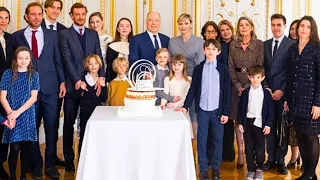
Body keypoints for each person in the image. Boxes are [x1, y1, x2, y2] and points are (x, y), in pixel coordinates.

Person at [12, 2, 66, 179]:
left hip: (51, 88)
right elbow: (14, 65)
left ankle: (50, 165)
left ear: (42, 16)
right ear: (26, 16)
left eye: (39, 14)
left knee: (51, 127)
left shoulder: (52, 35)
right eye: (32, 14)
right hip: (28, 91)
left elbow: (58, 60)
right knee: (31, 129)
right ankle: (36, 164)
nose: (36, 17)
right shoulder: (17, 36)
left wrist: (63, 82)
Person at [176, 39, 231, 180]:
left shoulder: (223, 69)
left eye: (214, 49)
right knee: (202, 139)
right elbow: (193, 89)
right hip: (202, 110)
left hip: (218, 111)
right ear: (204, 50)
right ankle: (204, 169)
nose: (211, 51)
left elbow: (227, 92)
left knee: (217, 140)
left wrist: (225, 112)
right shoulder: (199, 69)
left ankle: (216, 169)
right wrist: (185, 106)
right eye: (208, 48)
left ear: (218, 52)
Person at [59, 2, 104, 173]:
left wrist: (101, 77)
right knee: (69, 122)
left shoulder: (93, 34)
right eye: (76, 14)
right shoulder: (64, 34)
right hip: (73, 86)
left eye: (82, 14)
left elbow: (99, 56)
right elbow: (66, 59)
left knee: (89, 122)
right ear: (71, 15)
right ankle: (69, 160)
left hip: (93, 86)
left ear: (86, 14)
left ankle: (87, 156)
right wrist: (77, 80)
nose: (80, 17)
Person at [284, 16, 320, 180]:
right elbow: (290, 76)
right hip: (294, 100)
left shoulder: (317, 49)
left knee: (311, 136)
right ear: (298, 29)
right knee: (300, 136)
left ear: (312, 30)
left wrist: (317, 104)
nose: (304, 29)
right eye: (302, 26)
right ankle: (307, 173)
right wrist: (286, 99)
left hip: (311, 101)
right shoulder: (292, 49)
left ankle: (311, 174)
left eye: (308, 27)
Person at [228, 16, 264, 169]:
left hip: (253, 87)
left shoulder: (258, 45)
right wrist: (237, 85)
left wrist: (249, 85)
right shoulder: (233, 45)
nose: (243, 27)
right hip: (236, 87)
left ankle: (254, 153)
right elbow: (230, 66)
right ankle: (241, 153)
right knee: (238, 120)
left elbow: (260, 66)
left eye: (246, 25)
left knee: (252, 119)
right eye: (241, 25)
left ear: (251, 27)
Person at [0, 46, 40, 180]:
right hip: (11, 115)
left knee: (26, 149)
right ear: (16, 59)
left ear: (30, 59)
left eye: (26, 58)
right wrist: (11, 114)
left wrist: (18, 113)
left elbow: (33, 98)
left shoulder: (34, 75)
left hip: (27, 115)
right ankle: (12, 176)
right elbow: (2, 97)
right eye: (20, 58)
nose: (23, 61)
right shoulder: (7, 73)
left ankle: (23, 176)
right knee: (15, 148)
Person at [263, 14, 294, 174]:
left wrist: (282, 90)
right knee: (269, 126)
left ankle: (281, 160)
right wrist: (266, 87)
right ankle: (271, 158)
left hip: (283, 94)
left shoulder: (292, 45)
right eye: (273, 25)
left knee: (282, 129)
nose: (276, 28)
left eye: (279, 25)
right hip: (268, 94)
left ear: (284, 25)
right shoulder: (266, 44)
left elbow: (292, 71)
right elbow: (262, 69)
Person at [169, 13, 205, 136]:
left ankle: (192, 144)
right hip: (176, 80)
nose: (183, 26)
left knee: (193, 111)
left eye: (186, 23)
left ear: (191, 24)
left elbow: (199, 65)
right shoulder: (173, 41)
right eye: (180, 23)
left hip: (192, 80)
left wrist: (192, 80)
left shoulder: (200, 42)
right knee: (176, 107)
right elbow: (170, 62)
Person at [41, 0, 67, 167]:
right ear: (45, 9)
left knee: (53, 123)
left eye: (58, 8)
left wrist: (63, 82)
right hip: (36, 84)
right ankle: (33, 160)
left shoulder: (64, 30)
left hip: (57, 83)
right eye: (52, 7)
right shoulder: (35, 28)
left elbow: (63, 59)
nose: (55, 11)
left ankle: (51, 159)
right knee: (34, 123)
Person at [238, 65, 274, 180]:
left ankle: (259, 168)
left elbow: (270, 111)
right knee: (249, 147)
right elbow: (241, 109)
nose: (255, 80)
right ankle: (251, 169)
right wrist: (240, 123)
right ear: (249, 77)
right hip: (248, 122)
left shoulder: (266, 94)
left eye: (258, 77)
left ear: (262, 78)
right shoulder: (246, 92)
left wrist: (268, 124)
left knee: (260, 147)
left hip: (260, 123)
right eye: (253, 77)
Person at [78, 54, 107, 155]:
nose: (93, 66)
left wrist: (103, 87)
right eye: (90, 64)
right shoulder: (83, 79)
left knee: (97, 134)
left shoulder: (102, 80)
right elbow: (79, 97)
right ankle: (82, 155)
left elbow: (104, 98)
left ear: (99, 65)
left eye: (95, 63)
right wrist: (80, 88)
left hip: (97, 113)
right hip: (85, 111)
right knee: (84, 133)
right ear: (87, 65)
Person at [161, 54, 193, 138]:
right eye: (174, 64)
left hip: (182, 109)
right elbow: (165, 94)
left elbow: (186, 96)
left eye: (179, 64)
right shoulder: (167, 79)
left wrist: (175, 105)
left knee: (183, 136)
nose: (176, 66)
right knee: (171, 135)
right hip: (171, 109)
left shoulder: (189, 80)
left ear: (184, 65)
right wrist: (163, 105)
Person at [218, 19, 236, 162]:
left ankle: (230, 152)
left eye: (227, 29)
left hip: (234, 83)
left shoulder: (236, 44)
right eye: (222, 30)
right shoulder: (218, 46)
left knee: (231, 119)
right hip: (220, 83)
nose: (225, 32)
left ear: (231, 29)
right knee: (222, 118)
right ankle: (221, 151)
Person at [0, 6, 14, 179]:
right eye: (0, 17)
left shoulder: (10, 38)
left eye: (6, 18)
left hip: (7, 90)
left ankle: (1, 162)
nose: (3, 20)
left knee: (4, 128)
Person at [286, 19, 301, 170]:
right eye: (292, 29)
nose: (293, 31)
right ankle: (294, 155)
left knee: (304, 129)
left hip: (305, 95)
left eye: (296, 28)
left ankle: (304, 157)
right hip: (291, 94)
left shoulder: (312, 47)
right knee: (292, 129)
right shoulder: (289, 48)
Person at [106, 17, 133, 82]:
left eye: (127, 26)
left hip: (131, 79)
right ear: (118, 29)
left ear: (130, 29)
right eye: (121, 26)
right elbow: (109, 66)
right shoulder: (111, 46)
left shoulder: (135, 45)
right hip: (115, 80)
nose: (124, 28)